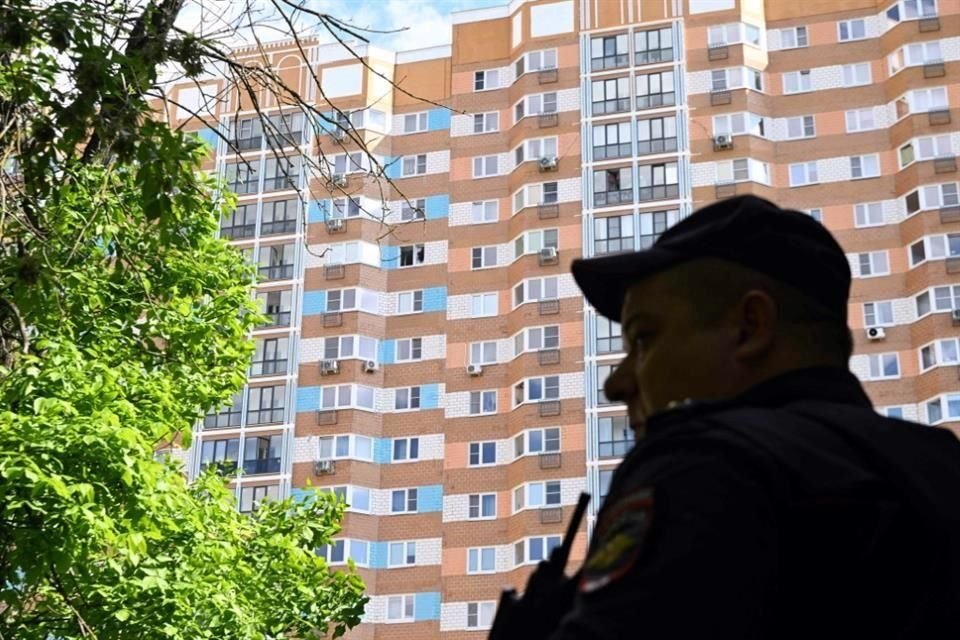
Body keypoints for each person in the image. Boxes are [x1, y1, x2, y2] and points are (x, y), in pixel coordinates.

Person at [490, 195, 960, 640]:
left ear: (751, 326)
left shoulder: (709, 464)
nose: (617, 383)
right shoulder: (939, 466)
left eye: (643, 339)